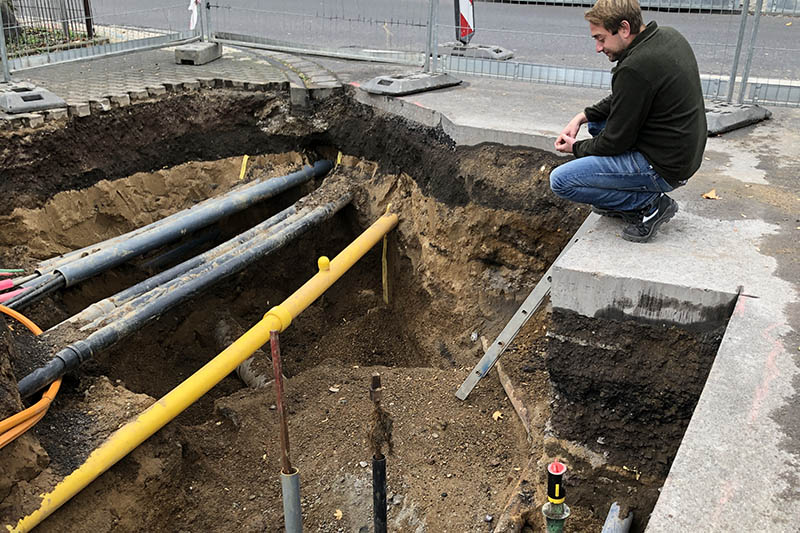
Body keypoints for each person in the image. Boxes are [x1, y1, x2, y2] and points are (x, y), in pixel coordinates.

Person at [549, 0, 707, 243]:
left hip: (665, 167)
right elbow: (627, 96)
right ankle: (627, 195)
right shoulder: (667, 37)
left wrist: (575, 148)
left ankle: (649, 204)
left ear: (623, 28)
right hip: (683, 152)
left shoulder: (634, 67)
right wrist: (582, 116)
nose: (598, 48)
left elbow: (614, 143)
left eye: (601, 38)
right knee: (596, 124)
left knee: (561, 181)